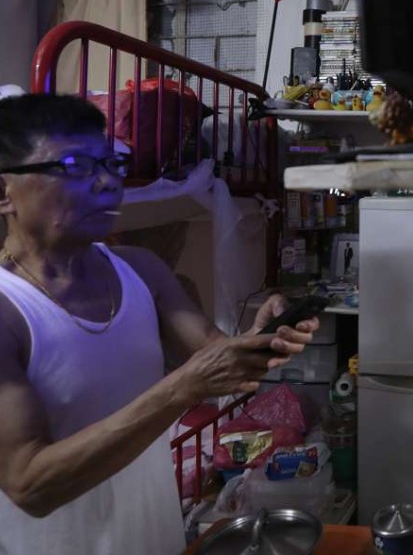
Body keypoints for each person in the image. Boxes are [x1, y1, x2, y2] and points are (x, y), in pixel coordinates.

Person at [0, 94, 319, 554]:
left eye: (109, 162)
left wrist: (262, 337)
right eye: (72, 166)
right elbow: (30, 485)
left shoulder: (141, 269)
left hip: (153, 536)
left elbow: (215, 354)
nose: (105, 182)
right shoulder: (10, 310)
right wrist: (181, 389)